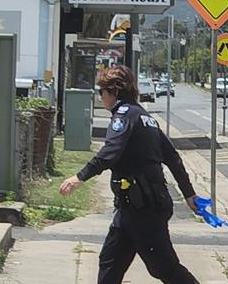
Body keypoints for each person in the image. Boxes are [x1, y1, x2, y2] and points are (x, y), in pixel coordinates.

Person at [59, 65, 200, 284]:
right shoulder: (145, 117)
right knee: (110, 262)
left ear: (113, 91)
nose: (100, 97)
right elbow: (173, 158)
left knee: (164, 268)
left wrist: (80, 177)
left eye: (101, 92)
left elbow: (110, 152)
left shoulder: (124, 116)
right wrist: (189, 194)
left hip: (143, 209)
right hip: (133, 206)